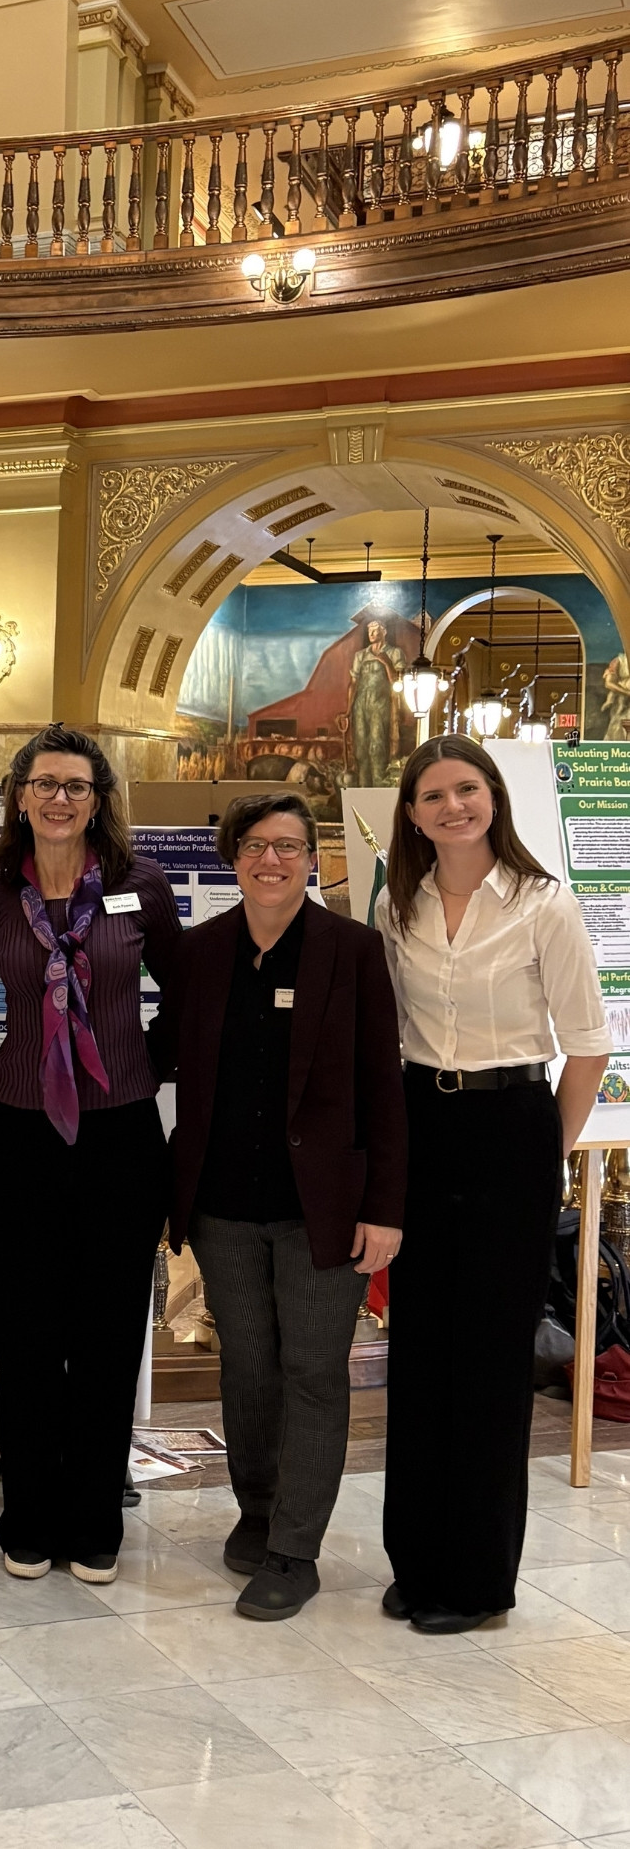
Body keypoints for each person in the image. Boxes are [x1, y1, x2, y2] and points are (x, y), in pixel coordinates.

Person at [149, 792, 405, 1620]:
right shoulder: (199, 952)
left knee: (312, 1374)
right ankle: (255, 1510)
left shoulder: (353, 951)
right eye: (257, 845)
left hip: (322, 1209)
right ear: (233, 857)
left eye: (289, 847)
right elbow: (157, 1051)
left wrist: (385, 1207)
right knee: (248, 1369)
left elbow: (382, 1088)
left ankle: (296, 1549)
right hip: (222, 1205)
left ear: (311, 859)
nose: (272, 860)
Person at [379, 735, 608, 1633]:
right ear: (411, 813)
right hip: (420, 1124)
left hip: (512, 1119)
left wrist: (542, 1152)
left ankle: (474, 1579)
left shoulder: (543, 903)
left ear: (493, 797)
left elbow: (586, 1044)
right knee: (420, 1348)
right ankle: (415, 1556)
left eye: (465, 789)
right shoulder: (399, 901)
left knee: (487, 1359)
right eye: (431, 794)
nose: (451, 807)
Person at [0, 724, 181, 1585]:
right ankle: (29, 1512)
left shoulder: (141, 887)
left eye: (77, 787)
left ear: (98, 800)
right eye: (45, 783)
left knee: (104, 1331)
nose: (60, 799)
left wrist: (141, 1064)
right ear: (19, 793)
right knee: (22, 1330)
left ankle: (94, 1517)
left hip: (121, 1135)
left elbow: (190, 998)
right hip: (19, 1131)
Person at [346, 617, 407, 787]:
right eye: (369, 631)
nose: (372, 634)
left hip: (381, 705)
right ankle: (363, 790)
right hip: (361, 705)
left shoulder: (395, 653)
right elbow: (353, 684)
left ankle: (380, 790)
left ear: (384, 631)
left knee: (377, 748)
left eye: (375, 630)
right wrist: (347, 710)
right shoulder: (361, 655)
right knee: (360, 750)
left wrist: (387, 664)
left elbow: (398, 683)